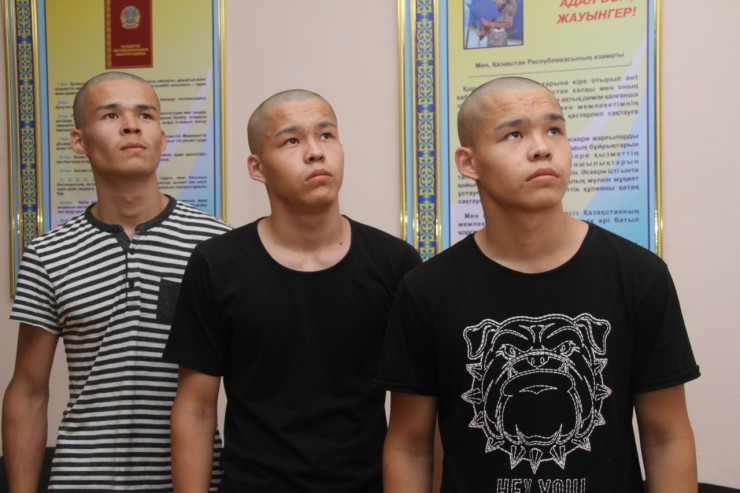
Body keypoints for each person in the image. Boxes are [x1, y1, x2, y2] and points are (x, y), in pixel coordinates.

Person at [376, 76, 700, 492]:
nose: (542, 147)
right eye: (514, 134)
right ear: (469, 163)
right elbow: (409, 446)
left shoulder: (639, 275)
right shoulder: (426, 290)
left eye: (554, 130)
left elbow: (666, 435)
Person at [163, 89, 422, 492]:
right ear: (257, 167)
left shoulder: (395, 262)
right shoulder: (216, 264)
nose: (315, 152)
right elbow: (195, 410)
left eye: (326, 135)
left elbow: (418, 420)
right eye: (291, 140)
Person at [2, 72, 230, 492]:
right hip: (80, 480)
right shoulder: (48, 253)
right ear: (79, 141)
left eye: (145, 115)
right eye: (110, 115)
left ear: (162, 138)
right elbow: (29, 391)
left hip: (191, 481)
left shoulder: (216, 245)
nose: (131, 126)